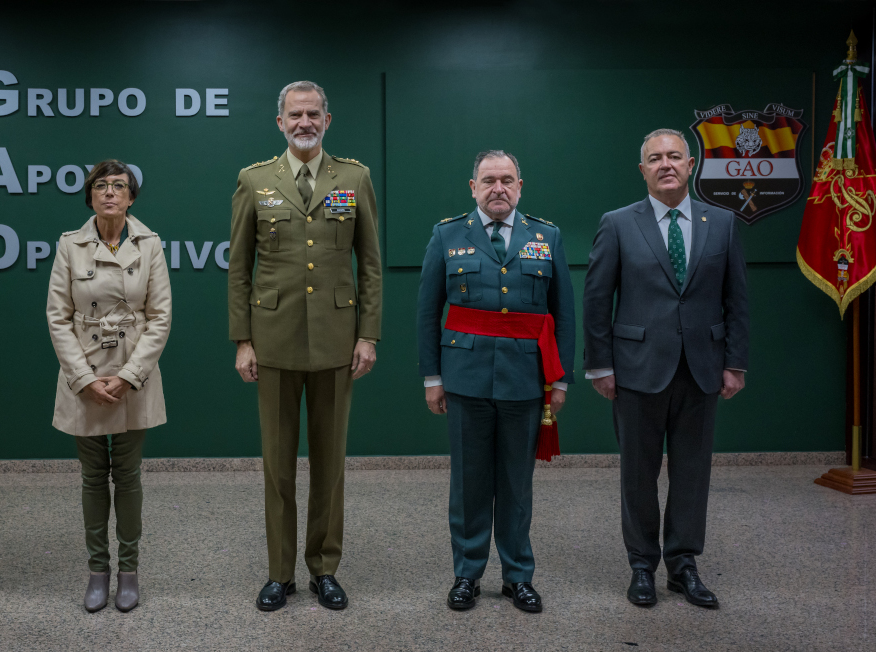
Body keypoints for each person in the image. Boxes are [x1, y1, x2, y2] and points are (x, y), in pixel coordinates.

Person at [228, 81, 382, 611]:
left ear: (327, 119)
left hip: (338, 341)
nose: (304, 122)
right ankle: (279, 573)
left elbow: (371, 265)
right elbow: (239, 269)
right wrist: (243, 340)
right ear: (280, 122)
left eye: (313, 114)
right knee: (277, 464)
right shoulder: (254, 180)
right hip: (272, 340)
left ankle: (324, 568)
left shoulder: (355, 177)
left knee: (330, 463)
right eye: (295, 115)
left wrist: (368, 334)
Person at [583, 129, 749, 609]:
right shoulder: (617, 224)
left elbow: (736, 300)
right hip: (635, 368)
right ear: (643, 171)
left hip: (702, 367)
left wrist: (734, 363)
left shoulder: (721, 223)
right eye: (655, 159)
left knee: (692, 471)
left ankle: (683, 565)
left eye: (674, 156)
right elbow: (597, 301)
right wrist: (600, 366)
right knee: (638, 472)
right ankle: (641, 566)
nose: (666, 164)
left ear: (691, 163)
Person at [417, 150, 575, 613]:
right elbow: (428, 313)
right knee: (468, 482)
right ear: (473, 187)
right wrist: (432, 376)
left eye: (507, 180)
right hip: (464, 377)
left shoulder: (547, 236)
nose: (498, 188)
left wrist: (559, 380)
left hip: (526, 378)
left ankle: (517, 577)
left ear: (520, 186)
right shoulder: (447, 235)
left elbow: (563, 314)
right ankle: (467, 574)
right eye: (489, 180)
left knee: (516, 483)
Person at [45, 160, 172, 613]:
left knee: (130, 476)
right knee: (94, 477)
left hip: (132, 376)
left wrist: (128, 376)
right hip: (85, 376)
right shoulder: (69, 246)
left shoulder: (150, 244)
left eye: (119, 186)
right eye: (101, 186)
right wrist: (83, 379)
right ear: (91, 197)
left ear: (131, 197)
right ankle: (98, 570)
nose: (110, 193)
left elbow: (159, 318)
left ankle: (130, 570)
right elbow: (57, 317)